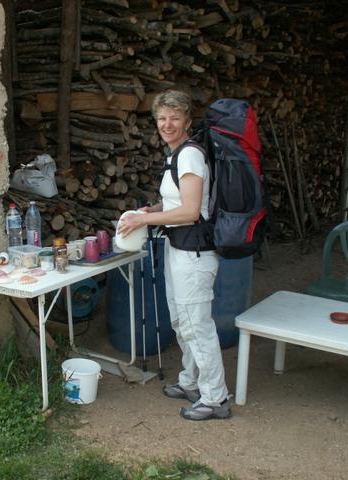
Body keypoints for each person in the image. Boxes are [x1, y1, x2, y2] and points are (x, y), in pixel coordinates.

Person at [116, 89, 231, 420]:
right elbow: (176, 203)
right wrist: (152, 208)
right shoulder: (175, 154)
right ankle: (191, 382)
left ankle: (216, 398)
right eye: (162, 118)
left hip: (195, 254)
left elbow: (191, 211)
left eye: (174, 118)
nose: (167, 124)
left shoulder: (191, 155)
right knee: (181, 323)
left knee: (197, 326)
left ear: (187, 122)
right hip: (178, 249)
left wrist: (144, 219)